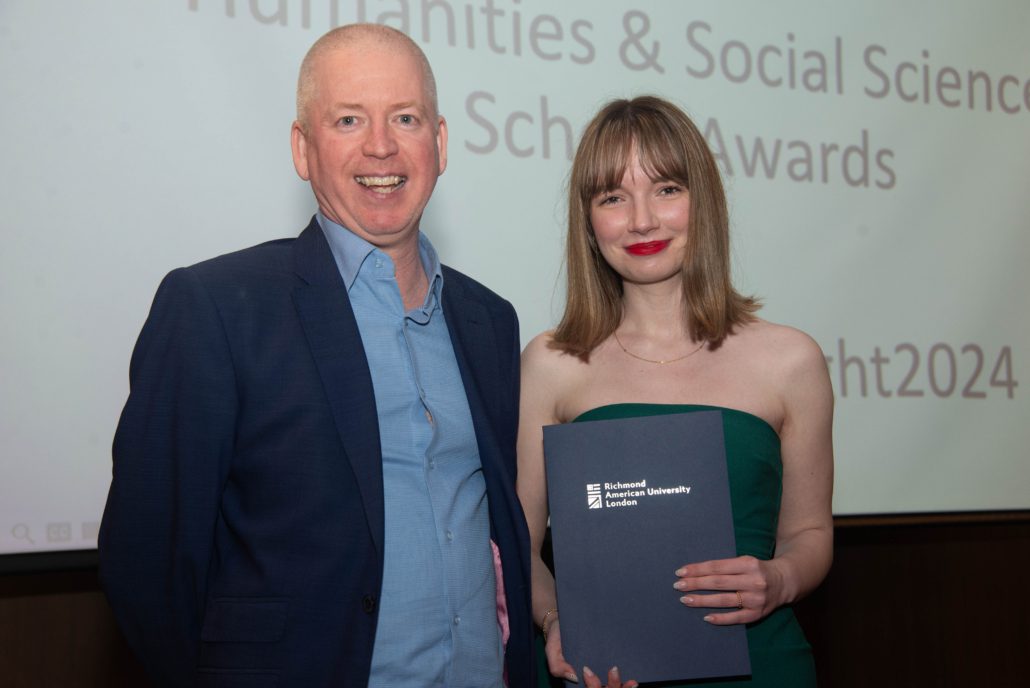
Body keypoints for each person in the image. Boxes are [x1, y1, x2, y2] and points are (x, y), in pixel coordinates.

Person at [99, 24, 534, 687]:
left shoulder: (489, 323)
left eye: (406, 118)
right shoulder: (217, 309)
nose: (381, 145)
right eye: (349, 119)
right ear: (303, 149)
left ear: (439, 143)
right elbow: (148, 567)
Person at [516, 96, 834, 688]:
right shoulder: (550, 363)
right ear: (588, 221)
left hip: (759, 668)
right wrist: (559, 620)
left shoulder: (792, 359)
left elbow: (809, 534)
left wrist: (781, 579)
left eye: (665, 189)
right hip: (597, 673)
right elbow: (520, 546)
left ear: (703, 202)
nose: (642, 220)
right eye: (613, 197)